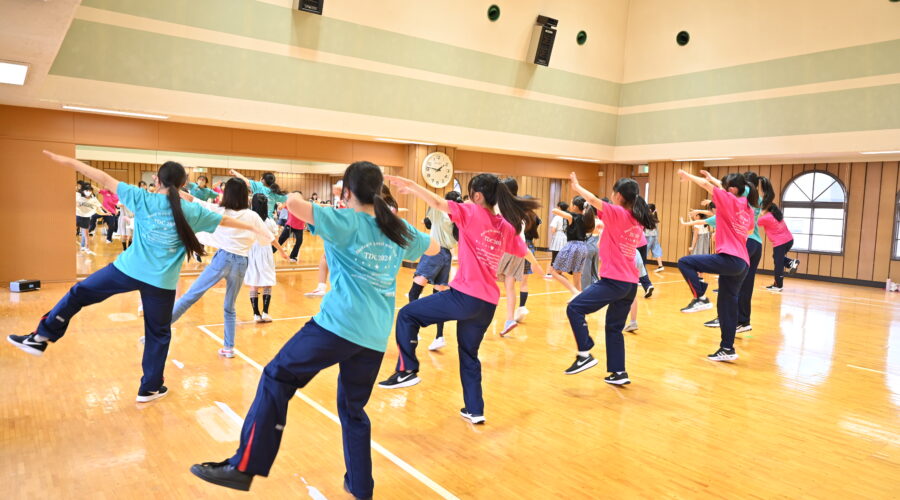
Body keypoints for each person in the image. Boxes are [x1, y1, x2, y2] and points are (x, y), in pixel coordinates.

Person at [189, 161, 435, 497]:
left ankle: (244, 466)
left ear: (347, 192)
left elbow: (292, 203)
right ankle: (361, 487)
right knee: (353, 410)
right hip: (375, 335)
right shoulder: (395, 227)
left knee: (276, 376)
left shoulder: (343, 219)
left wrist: (325, 196)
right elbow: (434, 247)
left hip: (337, 326)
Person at [8, 151, 261, 402]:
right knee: (158, 333)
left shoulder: (141, 197)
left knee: (79, 293)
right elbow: (224, 221)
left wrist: (70, 162)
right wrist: (251, 226)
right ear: (184, 183)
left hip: (126, 270)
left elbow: (102, 177)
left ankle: (40, 336)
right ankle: (150, 388)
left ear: (157, 180)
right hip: (161, 283)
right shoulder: (192, 211)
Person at [378, 173, 544, 425]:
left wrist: (412, 186)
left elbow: (437, 203)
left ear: (477, 196)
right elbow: (523, 251)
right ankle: (475, 409)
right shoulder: (504, 225)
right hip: (487, 304)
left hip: (465, 296)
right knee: (469, 354)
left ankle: (406, 369)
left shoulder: (471, 211)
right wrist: (542, 269)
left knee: (407, 315)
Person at [563, 173, 656, 385]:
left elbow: (594, 200)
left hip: (614, 280)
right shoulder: (636, 219)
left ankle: (584, 353)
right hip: (630, 284)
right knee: (614, 328)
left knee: (574, 308)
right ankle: (619, 372)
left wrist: (577, 187)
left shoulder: (617, 212)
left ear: (618, 195)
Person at [171, 179, 276, 357]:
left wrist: (173, 189)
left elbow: (194, 200)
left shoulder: (220, 211)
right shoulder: (252, 216)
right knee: (229, 306)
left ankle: (156, 333)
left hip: (223, 259)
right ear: (245, 196)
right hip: (241, 263)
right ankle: (228, 348)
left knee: (190, 296)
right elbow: (267, 239)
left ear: (227, 194)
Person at [676, 170, 755, 362]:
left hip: (730, 258)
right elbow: (749, 230)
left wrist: (688, 175)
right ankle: (727, 348)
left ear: (732, 189)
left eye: (726, 188)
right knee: (727, 305)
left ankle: (701, 297)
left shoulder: (730, 200)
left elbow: (706, 186)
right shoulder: (747, 208)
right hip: (743, 262)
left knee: (685, 262)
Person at [409, 190, 462, 351]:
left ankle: (413, 330)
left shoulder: (440, 212)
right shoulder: (458, 219)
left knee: (414, 292)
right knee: (439, 297)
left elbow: (431, 209)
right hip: (447, 256)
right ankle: (439, 336)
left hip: (434, 251)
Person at [495, 178, 542, 336]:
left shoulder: (501, 206)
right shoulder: (520, 206)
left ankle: (481, 315)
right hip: (520, 250)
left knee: (488, 280)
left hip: (506, 248)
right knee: (510, 287)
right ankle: (509, 320)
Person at [245, 194, 289, 323]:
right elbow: (273, 239)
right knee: (267, 282)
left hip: (251, 251)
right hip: (265, 251)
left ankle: (256, 314)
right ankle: (265, 313)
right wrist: (282, 251)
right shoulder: (269, 222)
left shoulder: (248, 219)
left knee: (254, 283)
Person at [757, 177, 800, 291]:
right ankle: (791, 262)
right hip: (789, 240)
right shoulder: (777, 216)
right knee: (777, 258)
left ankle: (778, 285)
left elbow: (754, 223)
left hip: (780, 243)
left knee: (778, 262)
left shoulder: (767, 217)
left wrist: (757, 212)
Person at [548, 196, 595, 298]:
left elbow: (554, 210)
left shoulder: (572, 216)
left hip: (573, 246)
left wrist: (565, 211)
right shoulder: (586, 218)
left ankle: (574, 291)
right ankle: (579, 298)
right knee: (577, 277)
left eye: (571, 203)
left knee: (554, 272)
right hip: (583, 247)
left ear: (575, 206)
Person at [75, 183, 111, 254]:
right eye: (86, 190)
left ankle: (87, 248)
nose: (88, 192)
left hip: (86, 217)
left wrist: (106, 213)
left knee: (86, 234)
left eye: (90, 191)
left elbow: (99, 208)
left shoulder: (93, 199)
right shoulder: (78, 197)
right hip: (77, 216)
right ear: (83, 191)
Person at [276, 192, 306, 263]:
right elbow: (280, 207)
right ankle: (271, 251)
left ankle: (293, 256)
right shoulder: (290, 204)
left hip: (300, 227)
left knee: (299, 241)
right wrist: (283, 202)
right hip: (290, 225)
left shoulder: (304, 205)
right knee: (281, 240)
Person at [546, 201, 569, 277]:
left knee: (555, 255)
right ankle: (559, 272)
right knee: (563, 255)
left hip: (558, 237)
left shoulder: (557, 217)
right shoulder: (568, 217)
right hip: (566, 237)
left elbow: (553, 229)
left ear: (559, 207)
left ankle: (550, 272)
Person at [645, 203, 665, 272]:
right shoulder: (655, 217)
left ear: (650, 210)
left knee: (644, 250)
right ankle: (660, 265)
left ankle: (642, 266)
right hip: (654, 236)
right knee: (656, 249)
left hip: (648, 236)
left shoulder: (648, 217)